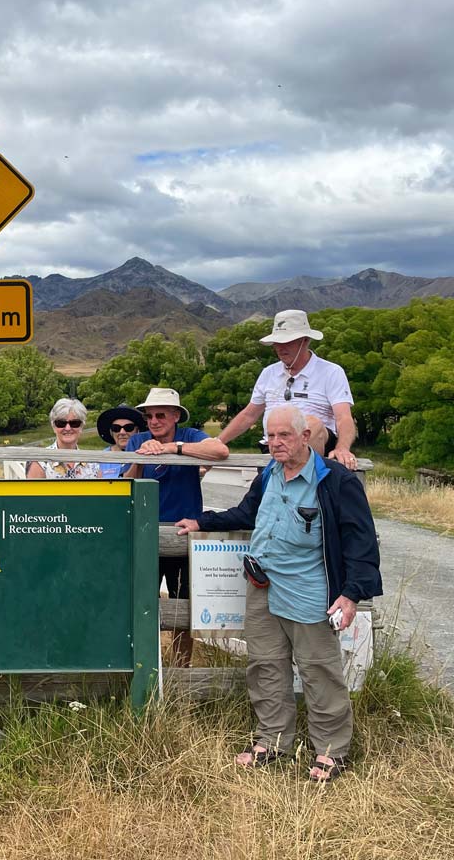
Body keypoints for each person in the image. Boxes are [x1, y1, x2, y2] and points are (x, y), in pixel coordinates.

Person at [174, 406, 381, 783]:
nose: (275, 443)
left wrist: (351, 595)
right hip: (262, 588)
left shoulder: (335, 481)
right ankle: (272, 742)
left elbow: (361, 543)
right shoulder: (268, 473)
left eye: (284, 435)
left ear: (306, 437)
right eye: (270, 436)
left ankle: (331, 751)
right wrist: (203, 521)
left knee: (319, 671)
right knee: (265, 665)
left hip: (308, 592)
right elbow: (247, 513)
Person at [121, 387, 229, 665]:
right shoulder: (139, 440)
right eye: (149, 416)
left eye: (161, 415)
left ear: (175, 417)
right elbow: (127, 479)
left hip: (183, 534)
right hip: (145, 533)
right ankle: (144, 664)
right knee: (141, 603)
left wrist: (172, 449)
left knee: (185, 605)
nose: (154, 421)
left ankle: (182, 668)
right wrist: (141, 457)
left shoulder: (190, 436)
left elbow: (220, 449)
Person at [216, 310, 359, 470]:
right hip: (273, 448)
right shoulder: (269, 373)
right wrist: (218, 442)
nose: (281, 348)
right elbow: (249, 415)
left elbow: (344, 417)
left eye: (287, 342)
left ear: (305, 341)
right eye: (277, 343)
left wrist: (342, 448)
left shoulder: (331, 372)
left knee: (311, 424)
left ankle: (298, 478)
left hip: (319, 447)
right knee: (276, 437)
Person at [27, 398, 99, 479]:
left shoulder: (93, 464)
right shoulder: (40, 463)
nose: (68, 428)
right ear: (53, 426)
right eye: (61, 423)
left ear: (81, 426)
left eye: (74, 423)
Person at [95, 402, 145, 479]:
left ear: (137, 430)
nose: (122, 432)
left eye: (128, 427)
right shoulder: (101, 458)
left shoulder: (146, 453)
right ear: (111, 432)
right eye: (116, 428)